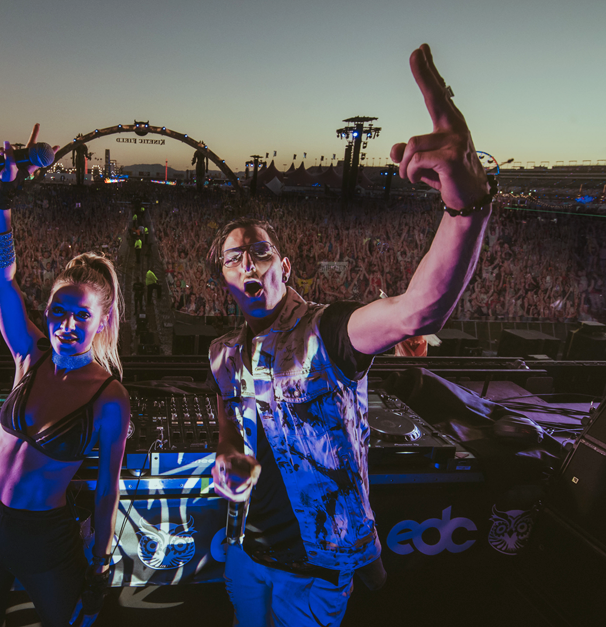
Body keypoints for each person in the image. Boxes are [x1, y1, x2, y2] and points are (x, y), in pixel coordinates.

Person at [208, 44, 493, 626]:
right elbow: (226, 411)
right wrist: (228, 451)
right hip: (244, 552)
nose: (249, 263)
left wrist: (468, 206)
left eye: (261, 251)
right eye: (235, 258)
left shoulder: (327, 331)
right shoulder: (223, 354)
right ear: (224, 280)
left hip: (315, 567)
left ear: (284, 269)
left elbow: (418, 311)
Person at [0, 124, 130, 627]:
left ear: (103, 321)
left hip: (43, 538)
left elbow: (106, 488)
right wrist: (0, 200)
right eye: (58, 311)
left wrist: (100, 556)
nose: (67, 325)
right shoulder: (29, 357)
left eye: (81, 316)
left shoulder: (108, 396)